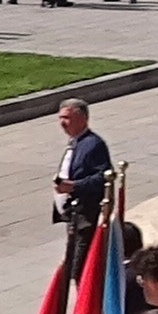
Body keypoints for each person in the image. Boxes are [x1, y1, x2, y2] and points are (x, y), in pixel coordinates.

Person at [51, 101, 113, 242]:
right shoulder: (75, 142)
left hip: (85, 215)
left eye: (67, 118)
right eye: (60, 118)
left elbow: (104, 177)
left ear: (83, 119)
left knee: (80, 257)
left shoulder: (93, 144)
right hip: (73, 214)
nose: (62, 123)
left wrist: (74, 186)